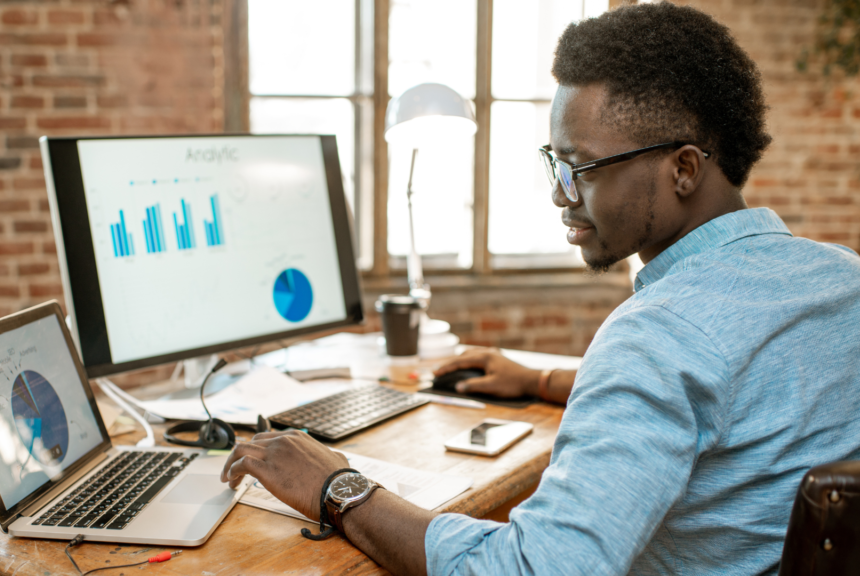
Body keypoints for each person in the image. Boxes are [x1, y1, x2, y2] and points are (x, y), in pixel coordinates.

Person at [220, 3, 860, 575]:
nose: (560, 193)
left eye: (579, 168)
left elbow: (534, 567)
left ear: (684, 169)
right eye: (553, 163)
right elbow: (730, 396)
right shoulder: (840, 278)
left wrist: (340, 487)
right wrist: (542, 381)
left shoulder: (658, 337)